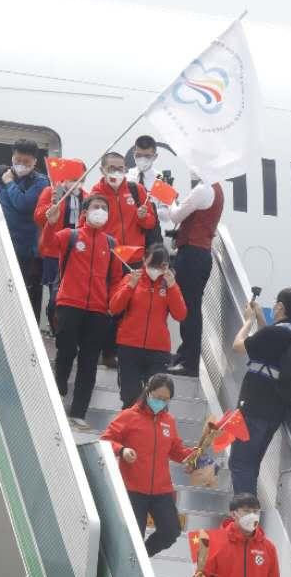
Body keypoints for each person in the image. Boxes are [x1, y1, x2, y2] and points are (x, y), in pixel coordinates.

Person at [39, 193, 123, 427]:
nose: (101, 211)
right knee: (65, 350)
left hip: (98, 310)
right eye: (96, 206)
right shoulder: (71, 235)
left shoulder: (112, 244)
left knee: (89, 362)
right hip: (69, 304)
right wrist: (50, 223)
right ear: (85, 212)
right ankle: (59, 390)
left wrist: (111, 302)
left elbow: (116, 278)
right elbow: (46, 246)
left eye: (104, 208)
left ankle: (79, 412)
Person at [100, 373, 208, 557]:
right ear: (147, 392)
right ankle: (134, 559)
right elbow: (105, 440)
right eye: (158, 398)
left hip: (161, 490)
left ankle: (141, 556)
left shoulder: (169, 421)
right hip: (133, 488)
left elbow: (176, 450)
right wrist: (122, 450)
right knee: (134, 537)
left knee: (171, 531)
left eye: (166, 400)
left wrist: (195, 455)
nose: (161, 402)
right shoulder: (129, 416)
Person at [228, 287, 291, 496]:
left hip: (253, 408)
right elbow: (269, 346)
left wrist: (248, 321)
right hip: (274, 412)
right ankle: (249, 509)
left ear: (280, 306)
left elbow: (237, 346)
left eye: (275, 303)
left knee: (239, 462)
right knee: (252, 463)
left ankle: (245, 511)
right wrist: (261, 318)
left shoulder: (274, 334)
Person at [90, 152, 157, 368]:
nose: (116, 172)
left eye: (120, 168)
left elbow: (150, 223)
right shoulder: (96, 193)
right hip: (109, 258)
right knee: (107, 307)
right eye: (112, 168)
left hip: (134, 259)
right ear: (102, 169)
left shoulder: (136, 190)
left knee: (130, 308)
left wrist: (144, 216)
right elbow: (87, 225)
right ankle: (103, 351)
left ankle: (120, 353)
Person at [0, 139, 49, 320]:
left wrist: (9, 183)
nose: (21, 165)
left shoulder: (40, 182)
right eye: (18, 160)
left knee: (19, 291)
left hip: (24, 250)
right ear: (12, 157)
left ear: (34, 162)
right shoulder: (0, 172)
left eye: (26, 162)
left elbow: (23, 204)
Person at [109, 244, 187, 407]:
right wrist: (130, 286)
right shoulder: (131, 278)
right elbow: (114, 307)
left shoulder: (169, 285)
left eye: (160, 266)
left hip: (158, 350)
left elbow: (180, 315)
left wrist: (172, 287)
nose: (155, 269)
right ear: (144, 260)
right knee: (129, 395)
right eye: (152, 264)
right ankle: (128, 421)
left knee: (154, 400)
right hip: (129, 346)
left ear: (166, 266)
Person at [167, 174, 225, 376]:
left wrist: (169, 197)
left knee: (189, 309)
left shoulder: (203, 189)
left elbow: (175, 216)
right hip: (200, 253)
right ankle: (184, 355)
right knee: (190, 307)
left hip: (192, 253)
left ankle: (189, 362)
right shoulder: (216, 189)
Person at [35, 173, 86, 335]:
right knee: (54, 296)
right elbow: (38, 217)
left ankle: (63, 328)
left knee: (70, 295)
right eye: (72, 177)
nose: (75, 181)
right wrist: (52, 206)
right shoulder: (52, 191)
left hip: (77, 253)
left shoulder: (87, 197)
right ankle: (53, 325)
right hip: (55, 251)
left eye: (80, 178)